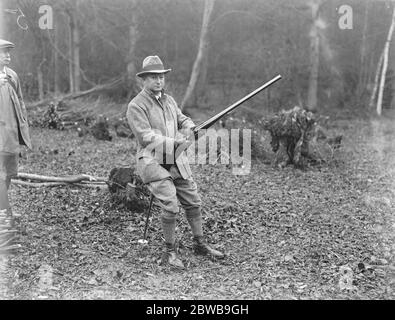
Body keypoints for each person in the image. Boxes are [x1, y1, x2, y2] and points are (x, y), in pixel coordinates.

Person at [127, 55, 224, 268]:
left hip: (176, 159)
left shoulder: (169, 101)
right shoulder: (136, 106)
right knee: (170, 206)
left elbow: (182, 118)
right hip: (152, 161)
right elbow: (146, 137)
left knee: (193, 202)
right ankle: (169, 252)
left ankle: (200, 243)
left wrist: (190, 128)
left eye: (161, 76)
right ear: (144, 80)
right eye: (153, 77)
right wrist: (175, 141)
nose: (158, 81)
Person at [0, 39, 32, 251]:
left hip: (11, 135)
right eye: (3, 53)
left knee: (10, 174)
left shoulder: (12, 76)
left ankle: (3, 210)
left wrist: (24, 134)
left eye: (8, 53)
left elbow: (20, 103)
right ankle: (4, 219)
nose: (7, 56)